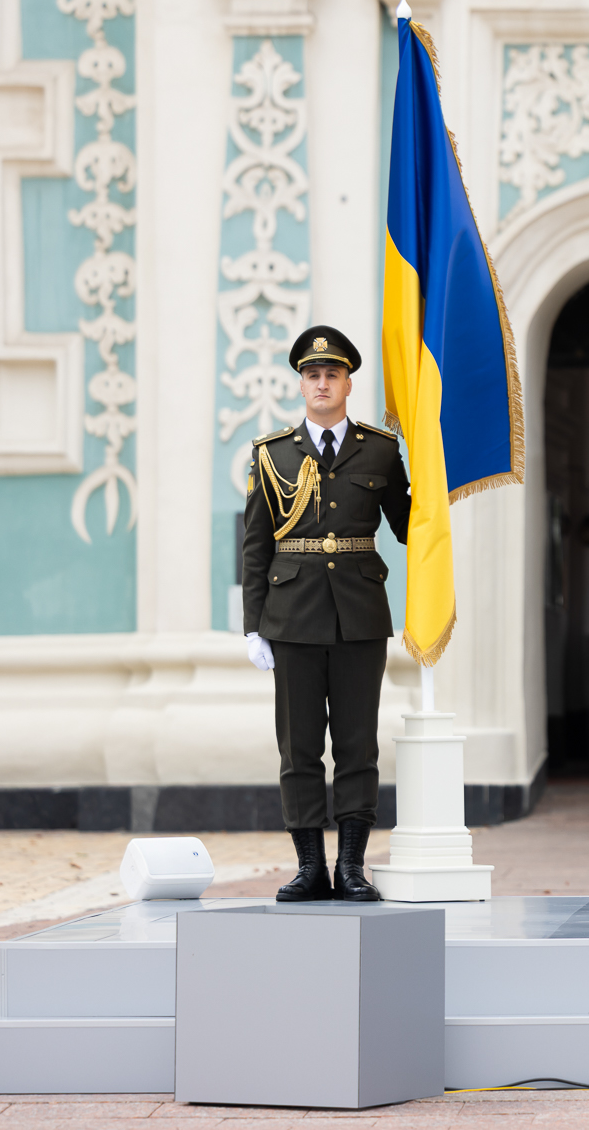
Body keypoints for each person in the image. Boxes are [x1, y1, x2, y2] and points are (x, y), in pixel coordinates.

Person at [240, 325, 410, 903]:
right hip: (291, 617)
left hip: (359, 616)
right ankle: (311, 866)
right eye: (312, 375)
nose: (321, 383)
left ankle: (352, 866)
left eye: (332, 374)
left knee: (358, 746)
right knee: (300, 748)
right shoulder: (272, 454)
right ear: (301, 384)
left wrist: (436, 481)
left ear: (348, 383)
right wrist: (253, 626)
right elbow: (256, 546)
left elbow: (408, 526)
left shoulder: (381, 449)